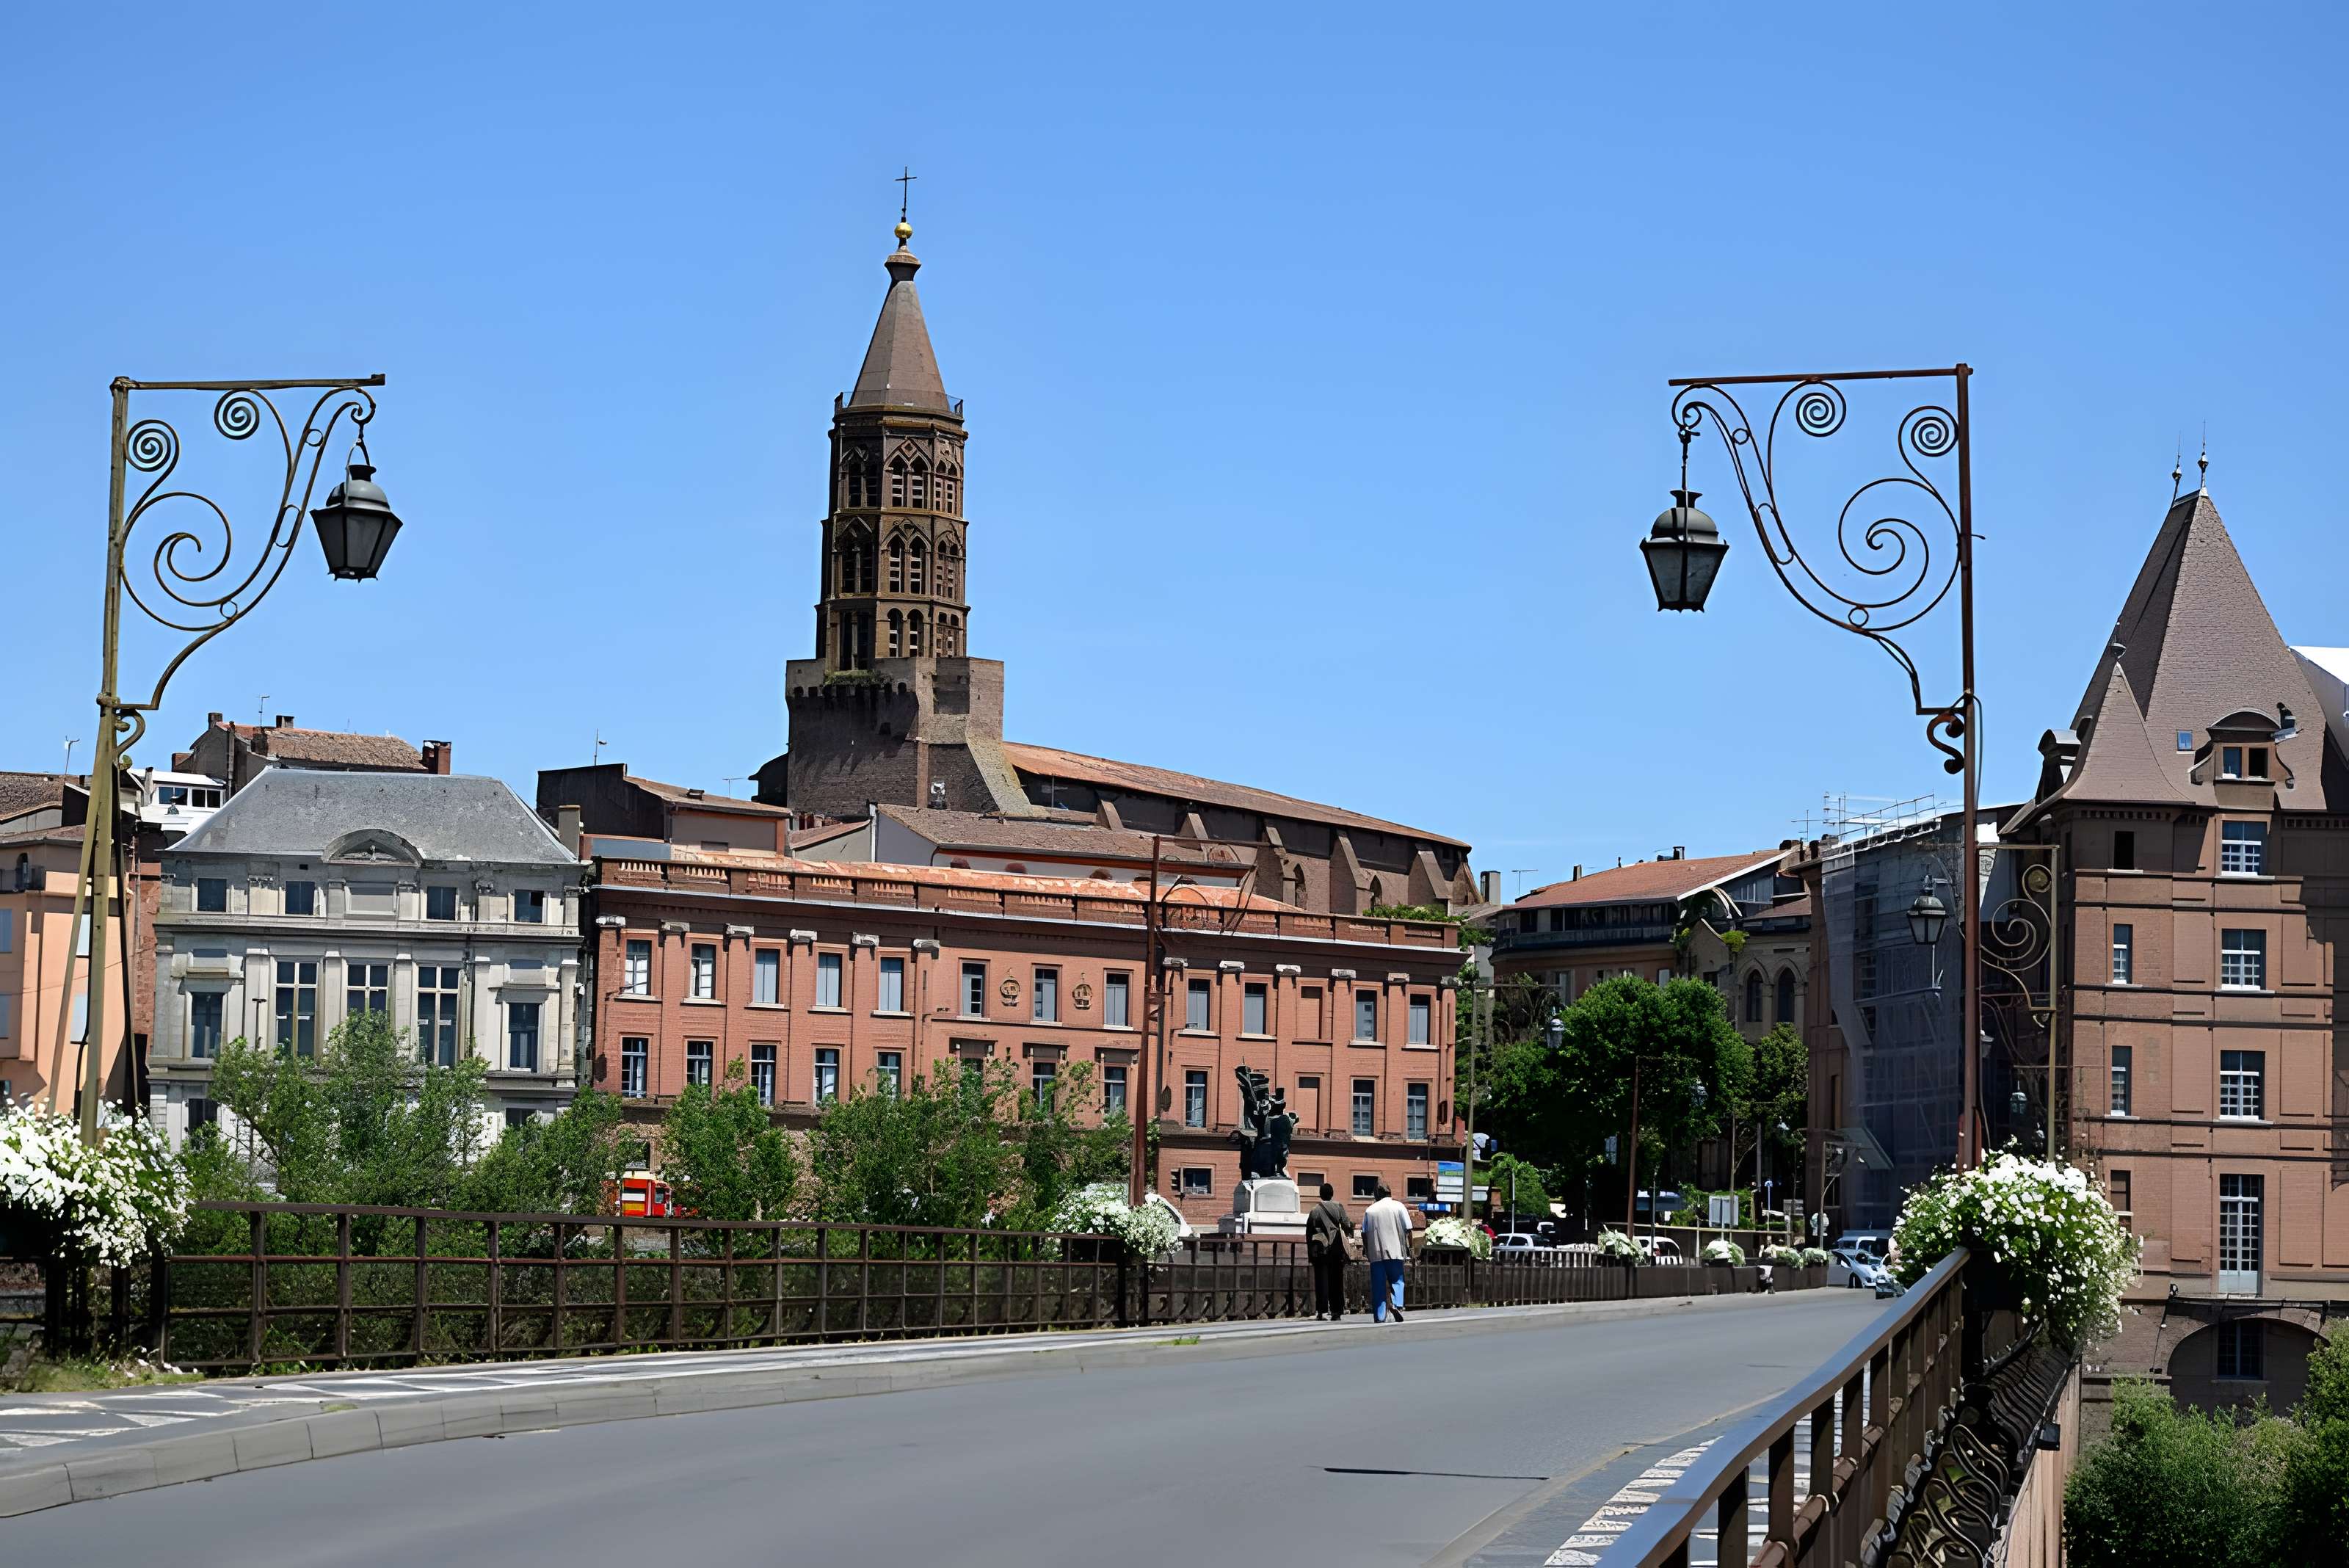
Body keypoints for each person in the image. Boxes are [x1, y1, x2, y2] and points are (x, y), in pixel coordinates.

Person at [1360, 1182, 1414, 1323]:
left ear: (1377, 1194)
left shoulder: (1370, 1210)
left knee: (1378, 1286)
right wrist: (1411, 1249)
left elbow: (1364, 1233)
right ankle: (1397, 1305)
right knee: (1397, 1280)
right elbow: (1408, 1229)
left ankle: (1380, 1316)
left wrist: (1367, 1250)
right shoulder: (1399, 1207)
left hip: (1376, 1253)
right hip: (1395, 1251)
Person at [1305, 1182, 1354, 1320]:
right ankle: (1336, 1312)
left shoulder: (1315, 1210)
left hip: (1321, 1250)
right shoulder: (1338, 1207)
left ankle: (1321, 1311)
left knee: (1321, 1281)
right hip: (1336, 1249)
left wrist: (1311, 1252)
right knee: (1336, 1281)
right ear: (1332, 1194)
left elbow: (1309, 1232)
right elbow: (1346, 1223)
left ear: (1320, 1194)